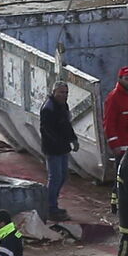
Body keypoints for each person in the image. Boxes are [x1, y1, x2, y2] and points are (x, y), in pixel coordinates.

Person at [40, 81, 79, 221]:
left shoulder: (63, 106)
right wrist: (59, 143)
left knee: (62, 177)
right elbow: (47, 130)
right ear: (54, 92)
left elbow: (66, 125)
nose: (64, 95)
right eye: (61, 92)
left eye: (66, 93)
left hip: (62, 147)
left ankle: (52, 204)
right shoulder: (48, 108)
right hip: (53, 149)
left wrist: (73, 139)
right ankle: (50, 207)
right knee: (55, 177)